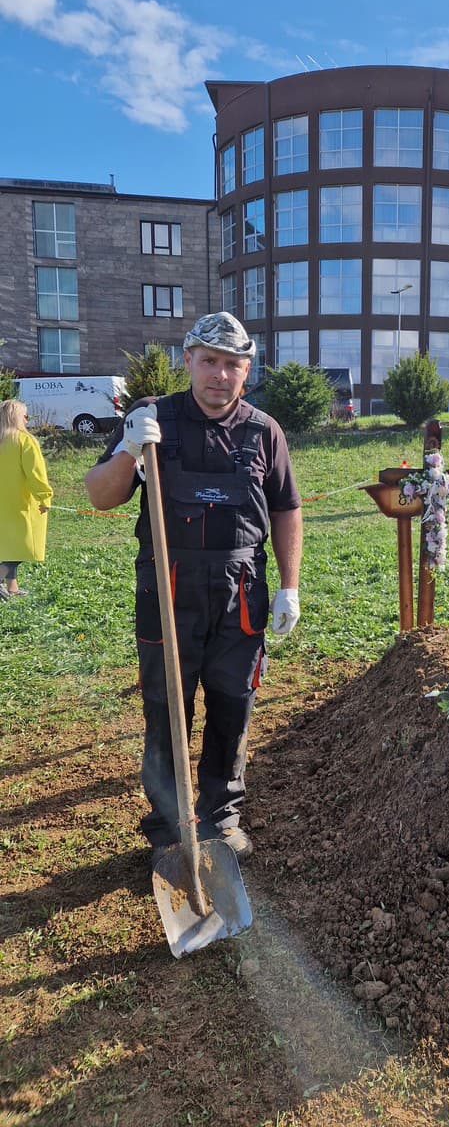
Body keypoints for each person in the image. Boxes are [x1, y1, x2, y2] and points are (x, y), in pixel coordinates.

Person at [84, 312, 303, 867]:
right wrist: (130, 449)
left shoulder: (264, 432)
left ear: (247, 371)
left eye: (233, 364)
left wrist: (290, 587)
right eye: (209, 361)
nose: (220, 375)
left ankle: (220, 817)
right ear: (189, 361)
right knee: (166, 709)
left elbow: (286, 509)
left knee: (234, 705)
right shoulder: (151, 419)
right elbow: (99, 496)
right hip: (169, 586)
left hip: (242, 591)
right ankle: (169, 827)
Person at [0, 399, 53, 600]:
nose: (27, 419)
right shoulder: (24, 440)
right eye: (25, 415)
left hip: (3, 504)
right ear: (16, 417)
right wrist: (44, 497)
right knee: (24, 547)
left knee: (6, 545)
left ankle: (12, 588)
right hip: (20, 503)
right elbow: (35, 474)